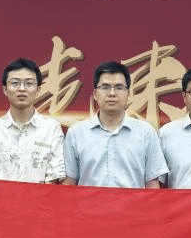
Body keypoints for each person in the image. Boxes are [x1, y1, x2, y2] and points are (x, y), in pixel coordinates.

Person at [62, 60, 167, 188]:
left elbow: (152, 184)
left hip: (133, 202)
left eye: (119, 87)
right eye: (105, 87)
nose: (112, 93)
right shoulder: (76, 133)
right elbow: (69, 182)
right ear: (95, 94)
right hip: (89, 202)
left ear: (128, 94)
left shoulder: (146, 133)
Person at [0, 58, 65, 183]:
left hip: (40, 196)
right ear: (5, 89)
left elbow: (54, 178)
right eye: (15, 83)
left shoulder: (51, 128)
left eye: (29, 83)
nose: (22, 89)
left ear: (38, 89)